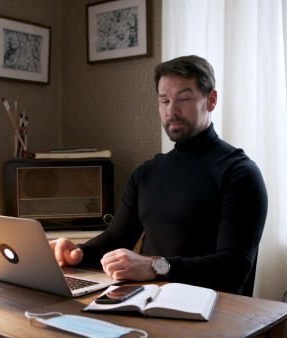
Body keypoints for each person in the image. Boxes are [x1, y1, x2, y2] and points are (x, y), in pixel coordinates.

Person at [50, 55, 268, 295]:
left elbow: (234, 267)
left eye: (184, 99)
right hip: (148, 301)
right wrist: (77, 253)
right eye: (164, 101)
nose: (172, 110)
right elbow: (115, 238)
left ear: (211, 100)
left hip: (214, 310)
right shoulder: (147, 172)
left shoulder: (240, 173)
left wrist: (155, 266)